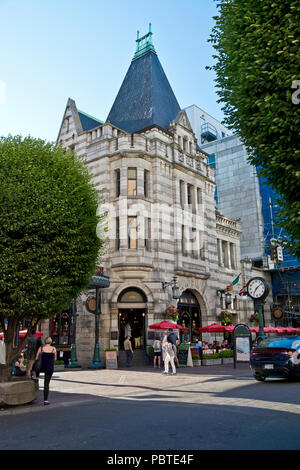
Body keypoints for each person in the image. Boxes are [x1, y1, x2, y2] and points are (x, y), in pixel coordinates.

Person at [35, 337, 57, 405]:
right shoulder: (53, 348)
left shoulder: (41, 348)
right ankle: (46, 400)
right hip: (49, 368)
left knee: (35, 373)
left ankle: (36, 379)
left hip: (41, 367)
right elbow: (55, 359)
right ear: (50, 341)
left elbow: (36, 358)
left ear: (45, 341)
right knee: (46, 384)